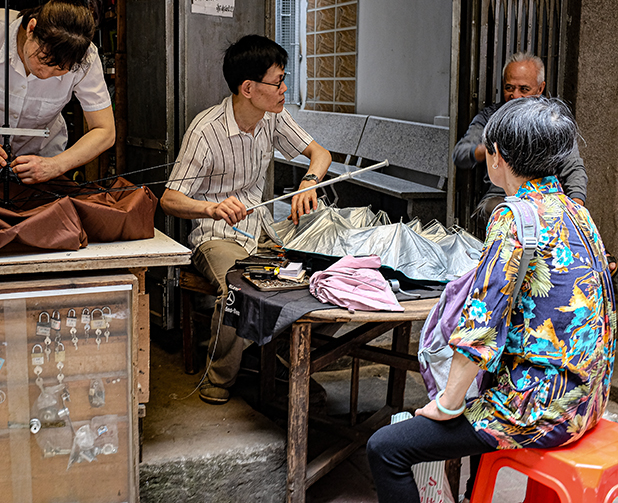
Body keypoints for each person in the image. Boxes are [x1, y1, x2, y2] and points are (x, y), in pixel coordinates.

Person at [366, 97, 616, 503]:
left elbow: (480, 320)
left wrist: (446, 405)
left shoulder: (514, 216)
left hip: (543, 409)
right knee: (478, 400)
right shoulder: (576, 211)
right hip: (589, 398)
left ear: (497, 156)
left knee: (386, 448)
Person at [161, 35, 332, 404]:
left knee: (316, 277)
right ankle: (220, 376)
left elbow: (320, 153)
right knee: (239, 289)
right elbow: (169, 199)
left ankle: (287, 363)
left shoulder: (273, 117)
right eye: (278, 81)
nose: (285, 89)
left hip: (259, 231)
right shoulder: (206, 130)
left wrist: (309, 181)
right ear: (249, 88)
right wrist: (211, 207)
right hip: (216, 235)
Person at [0, 0, 115, 183]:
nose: (45, 74)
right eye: (44, 60)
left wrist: (56, 165)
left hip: (43, 172)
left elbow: (105, 130)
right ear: (31, 28)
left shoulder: (85, 56)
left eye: (60, 70)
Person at [452, 52, 588, 220]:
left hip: (546, 199)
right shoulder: (490, 117)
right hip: (502, 198)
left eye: (524, 89)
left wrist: (576, 209)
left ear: (540, 88)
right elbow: (460, 154)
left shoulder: (552, 121)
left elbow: (574, 167)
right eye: (509, 88)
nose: (515, 96)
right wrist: (490, 150)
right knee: (508, 214)